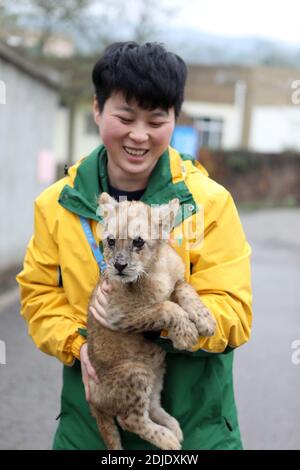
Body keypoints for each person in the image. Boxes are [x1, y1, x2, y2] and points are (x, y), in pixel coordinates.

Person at [17, 41, 252, 450]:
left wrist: (157, 318)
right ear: (97, 109)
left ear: (175, 119)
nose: (139, 135)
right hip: (89, 432)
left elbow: (234, 313)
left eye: (156, 120)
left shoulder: (208, 203)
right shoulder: (56, 205)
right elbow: (38, 296)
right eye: (125, 116)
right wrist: (79, 343)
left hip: (194, 432)